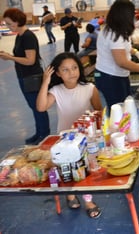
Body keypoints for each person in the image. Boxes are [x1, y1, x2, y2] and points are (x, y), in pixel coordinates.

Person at [36, 52, 102, 218]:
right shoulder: (56, 91)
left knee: (84, 171)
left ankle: (88, 200)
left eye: (74, 68)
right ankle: (70, 195)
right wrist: (45, 82)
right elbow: (41, 107)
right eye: (65, 70)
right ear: (57, 74)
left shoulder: (89, 88)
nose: (71, 72)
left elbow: (99, 112)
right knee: (66, 169)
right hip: (64, 141)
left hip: (85, 140)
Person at [94, 0, 139, 108]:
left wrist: (136, 52)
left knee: (125, 104)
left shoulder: (116, 29)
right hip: (110, 77)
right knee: (118, 109)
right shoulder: (114, 33)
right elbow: (122, 62)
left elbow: (122, 48)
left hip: (116, 75)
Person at [0, 8, 50, 145]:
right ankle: (39, 132)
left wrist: (10, 57)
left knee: (38, 107)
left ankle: (44, 134)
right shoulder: (19, 36)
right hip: (24, 76)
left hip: (32, 77)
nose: (8, 27)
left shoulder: (28, 37)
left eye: (10, 23)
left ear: (17, 21)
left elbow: (30, 60)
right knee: (33, 107)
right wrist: (9, 56)